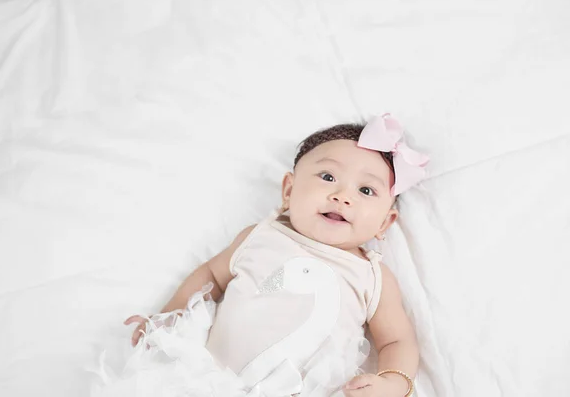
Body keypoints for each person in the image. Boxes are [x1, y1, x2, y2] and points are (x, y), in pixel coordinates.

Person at [91, 113, 429, 397]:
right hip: (205, 382)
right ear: (289, 190)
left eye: (366, 190)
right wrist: (171, 316)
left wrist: (392, 383)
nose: (342, 196)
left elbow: (397, 339)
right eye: (328, 177)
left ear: (385, 222)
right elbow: (211, 275)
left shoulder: (371, 275)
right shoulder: (261, 236)